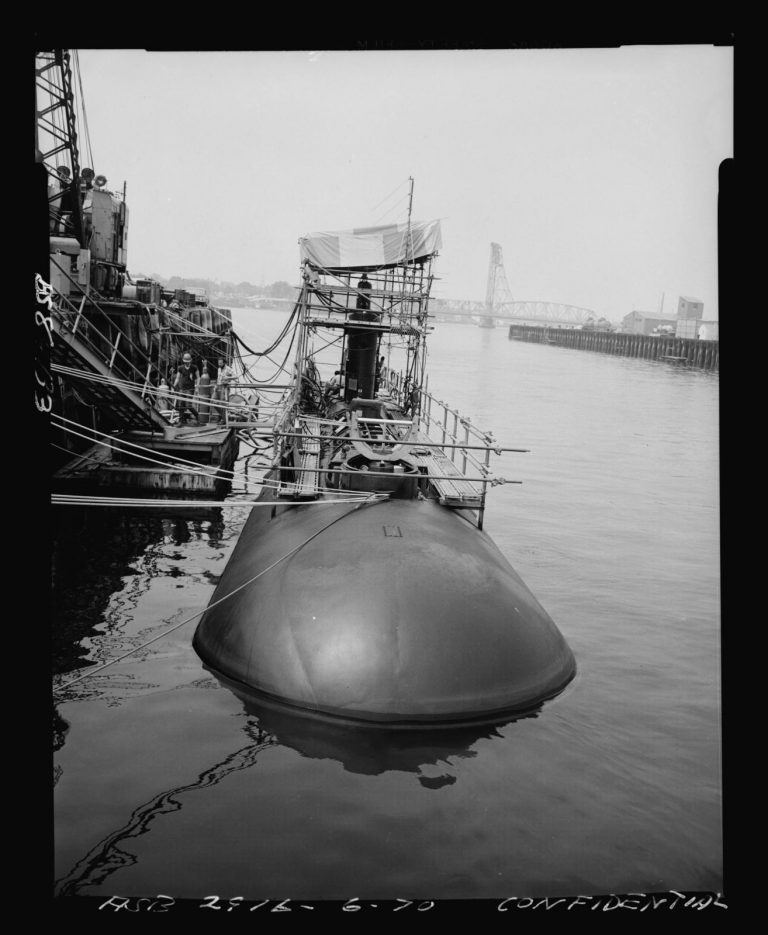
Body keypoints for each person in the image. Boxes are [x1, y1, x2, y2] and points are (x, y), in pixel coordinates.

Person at [173, 353, 199, 424]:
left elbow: (198, 377)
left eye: (188, 362)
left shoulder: (194, 367)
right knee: (181, 405)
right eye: (185, 362)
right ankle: (181, 421)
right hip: (182, 388)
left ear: (190, 361)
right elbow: (177, 378)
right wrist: (174, 386)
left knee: (188, 405)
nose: (187, 363)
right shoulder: (180, 368)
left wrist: (197, 386)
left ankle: (197, 415)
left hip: (190, 389)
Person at [214, 357, 236, 422]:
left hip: (224, 387)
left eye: (220, 363)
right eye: (218, 363)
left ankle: (223, 419)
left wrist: (228, 378)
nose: (219, 364)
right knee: (214, 402)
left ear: (224, 363)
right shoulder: (219, 369)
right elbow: (218, 378)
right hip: (218, 387)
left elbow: (236, 376)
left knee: (223, 404)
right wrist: (216, 386)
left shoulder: (228, 369)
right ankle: (222, 416)